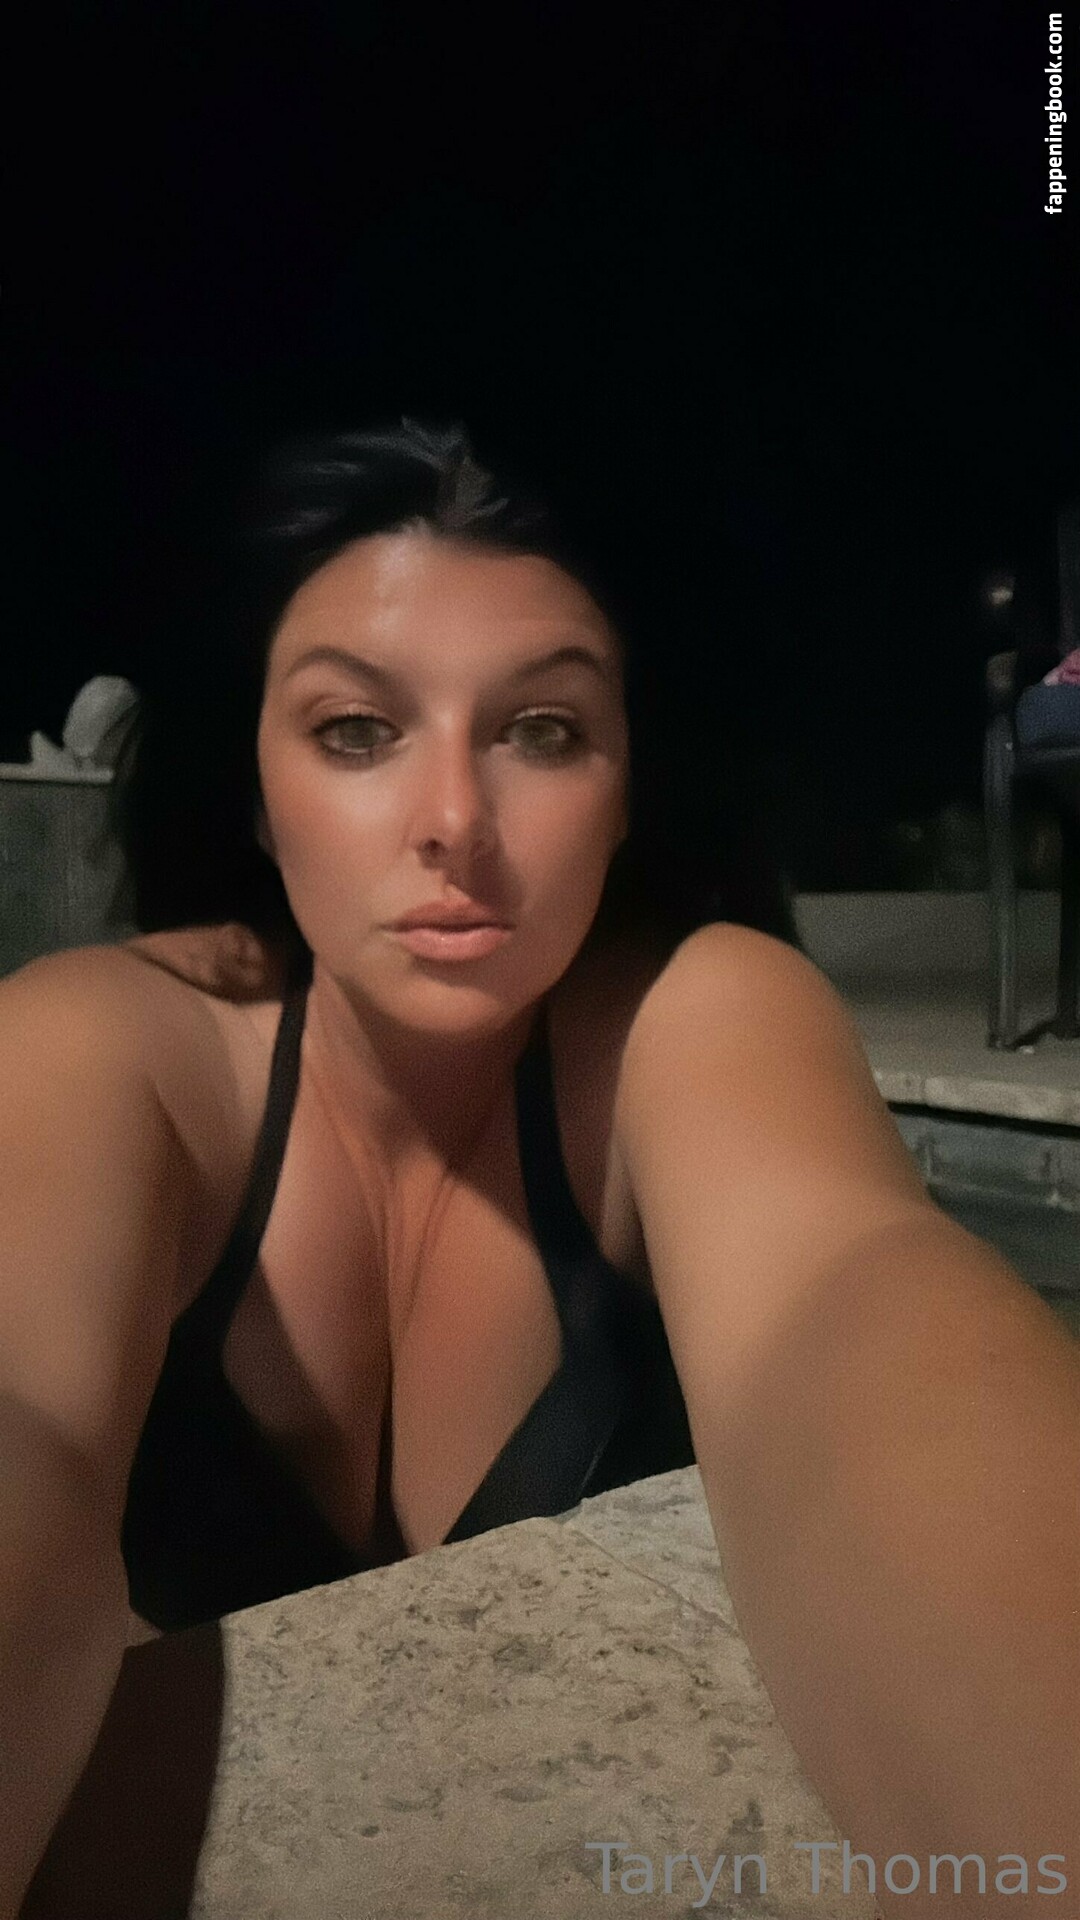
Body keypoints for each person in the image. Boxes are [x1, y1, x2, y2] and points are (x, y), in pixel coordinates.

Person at [0, 420, 1076, 1920]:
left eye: (545, 731)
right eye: (355, 731)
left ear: (628, 788)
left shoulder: (699, 1017)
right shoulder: (104, 1044)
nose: (454, 821)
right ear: (253, 788)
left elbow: (850, 1297)